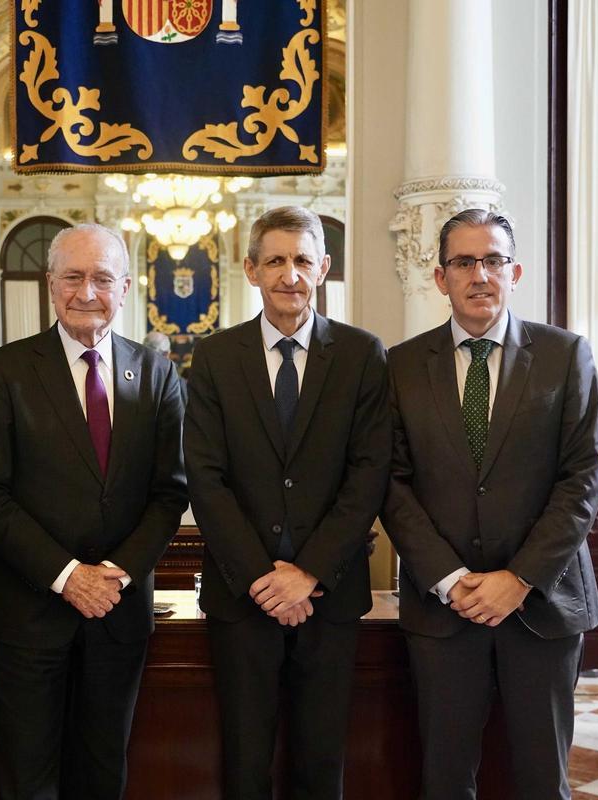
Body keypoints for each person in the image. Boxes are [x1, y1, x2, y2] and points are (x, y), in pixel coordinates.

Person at [380, 209, 598, 799]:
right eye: (464, 262)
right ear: (440, 277)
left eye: (494, 261)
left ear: (515, 271)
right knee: (446, 778)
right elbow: (392, 484)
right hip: (443, 608)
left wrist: (520, 578)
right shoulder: (401, 366)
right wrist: (450, 578)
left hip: (544, 604)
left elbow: (581, 480)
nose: (480, 275)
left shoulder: (565, 355)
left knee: (539, 779)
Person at [0, 223, 188, 799]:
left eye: (102, 278)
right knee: (27, 779)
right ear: (49, 283)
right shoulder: (5, 370)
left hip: (118, 614)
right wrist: (67, 577)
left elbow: (171, 490)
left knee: (102, 774)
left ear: (127, 286)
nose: (87, 291)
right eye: (72, 276)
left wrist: (113, 575)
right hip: (27, 612)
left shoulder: (157, 372)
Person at [184, 205, 391, 799]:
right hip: (240, 598)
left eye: (302, 260)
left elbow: (368, 474)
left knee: (321, 764)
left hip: (331, 595)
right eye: (275, 260)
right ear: (251, 269)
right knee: (245, 764)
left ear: (323, 267)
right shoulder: (216, 357)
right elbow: (205, 477)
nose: (289, 275)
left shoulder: (361, 355)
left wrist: (308, 573)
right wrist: (263, 579)